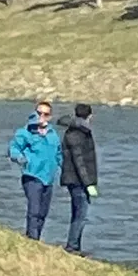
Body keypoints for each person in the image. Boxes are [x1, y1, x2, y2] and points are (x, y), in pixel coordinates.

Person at [9, 101, 62, 241]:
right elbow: (14, 148)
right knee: (34, 209)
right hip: (32, 176)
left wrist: (66, 171)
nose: (42, 116)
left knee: (43, 212)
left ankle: (37, 237)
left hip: (48, 177)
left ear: (50, 117)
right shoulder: (25, 132)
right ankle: (32, 239)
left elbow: (59, 154)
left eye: (46, 114)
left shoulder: (53, 134)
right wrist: (20, 158)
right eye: (39, 113)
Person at [58, 103, 99, 255]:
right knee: (80, 214)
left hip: (77, 179)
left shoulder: (80, 131)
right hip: (77, 180)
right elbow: (79, 161)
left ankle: (76, 246)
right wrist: (89, 183)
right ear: (90, 116)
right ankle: (72, 246)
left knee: (79, 213)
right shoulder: (77, 133)